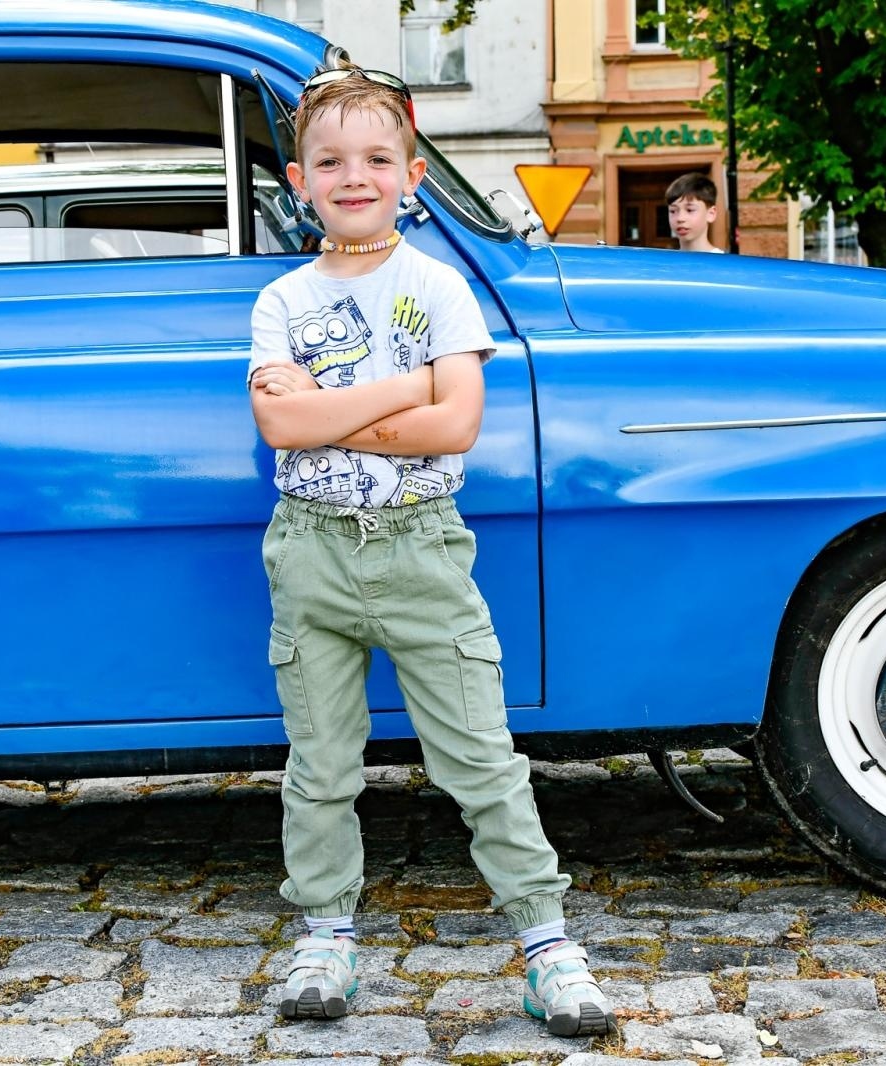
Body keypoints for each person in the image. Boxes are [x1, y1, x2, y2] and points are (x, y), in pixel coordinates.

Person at [246, 65, 614, 1039]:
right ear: (298, 182)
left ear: (412, 175)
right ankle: (325, 933)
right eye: (330, 161)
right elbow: (278, 422)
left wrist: (328, 417)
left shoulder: (439, 287)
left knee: (480, 760)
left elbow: (455, 425)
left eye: (376, 158)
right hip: (311, 554)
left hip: (421, 552)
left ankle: (546, 944)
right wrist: (393, 394)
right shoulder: (280, 299)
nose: (353, 176)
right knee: (319, 765)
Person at [665, 172, 723, 253]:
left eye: (690, 210)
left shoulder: (723, 263)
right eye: (673, 211)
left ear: (711, 214)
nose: (680, 218)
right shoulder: (667, 263)